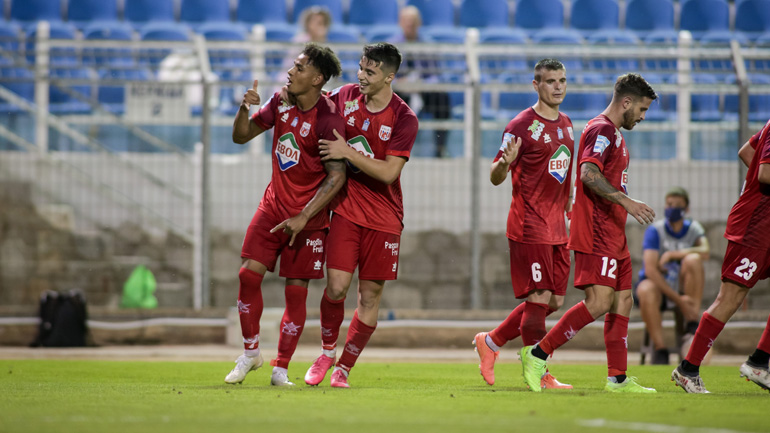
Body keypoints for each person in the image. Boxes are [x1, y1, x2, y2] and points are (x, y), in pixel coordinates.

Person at [519, 73, 659, 393]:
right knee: (598, 302)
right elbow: (587, 173)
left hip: (613, 231)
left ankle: (618, 379)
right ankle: (538, 355)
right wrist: (628, 202)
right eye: (641, 109)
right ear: (626, 102)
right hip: (596, 230)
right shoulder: (602, 130)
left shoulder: (615, 134)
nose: (642, 116)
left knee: (623, 300)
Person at [224, 43, 346, 387]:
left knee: (296, 292)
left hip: (309, 219)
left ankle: (281, 368)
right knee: (248, 275)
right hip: (273, 207)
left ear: (317, 78)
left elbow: (337, 176)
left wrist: (304, 217)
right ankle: (250, 354)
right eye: (293, 66)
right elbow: (241, 136)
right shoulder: (280, 102)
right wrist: (243, 110)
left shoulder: (329, 118)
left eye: (299, 67)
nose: (291, 72)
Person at [302, 43, 419, 388]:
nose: (361, 76)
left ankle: (345, 368)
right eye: (360, 68)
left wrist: (345, 151)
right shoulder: (345, 96)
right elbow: (314, 104)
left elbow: (388, 173)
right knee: (336, 287)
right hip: (346, 210)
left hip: (384, 218)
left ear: (389, 77)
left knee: (369, 296)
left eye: (370, 72)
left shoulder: (405, 119)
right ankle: (326, 352)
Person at [473, 59, 574, 389]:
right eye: (550, 81)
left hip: (558, 224)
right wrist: (506, 163)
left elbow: (563, 173)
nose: (557, 86)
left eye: (561, 80)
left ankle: (491, 342)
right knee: (540, 296)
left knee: (554, 301)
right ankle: (540, 373)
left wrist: (570, 206)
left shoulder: (568, 124)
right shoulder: (520, 125)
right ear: (536, 85)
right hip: (530, 223)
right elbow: (494, 176)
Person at [671, 118, 770, 393]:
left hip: (765, 224)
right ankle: (687, 369)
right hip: (754, 225)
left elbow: (746, 152)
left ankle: (760, 361)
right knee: (730, 297)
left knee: (731, 296)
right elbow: (764, 173)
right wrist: (755, 189)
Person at [636, 186, 709, 365]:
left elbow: (705, 251)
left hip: (683, 286)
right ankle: (661, 350)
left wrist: (672, 255)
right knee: (645, 289)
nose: (672, 208)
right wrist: (678, 300)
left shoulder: (694, 228)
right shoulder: (655, 231)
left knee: (693, 260)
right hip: (659, 289)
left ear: (686, 209)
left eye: (677, 205)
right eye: (669, 204)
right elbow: (651, 269)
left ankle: (692, 323)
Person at [389, 6, 450, 158]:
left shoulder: (428, 44)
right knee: (388, 100)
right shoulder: (391, 46)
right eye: (407, 21)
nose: (410, 24)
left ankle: (440, 149)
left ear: (419, 23)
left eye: (413, 21)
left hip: (424, 89)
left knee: (443, 99)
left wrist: (422, 84)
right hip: (400, 91)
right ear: (400, 23)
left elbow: (436, 75)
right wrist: (400, 83)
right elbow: (386, 75)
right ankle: (391, 149)